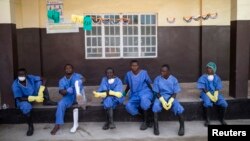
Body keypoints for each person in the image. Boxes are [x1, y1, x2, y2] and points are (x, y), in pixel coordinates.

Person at [12, 68, 56, 136]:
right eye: (19, 75)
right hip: (24, 100)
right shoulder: (15, 85)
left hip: (33, 93)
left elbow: (44, 79)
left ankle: (46, 100)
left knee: (40, 83)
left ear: (26, 75)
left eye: (23, 74)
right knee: (26, 107)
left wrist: (41, 89)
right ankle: (30, 126)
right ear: (17, 75)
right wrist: (35, 98)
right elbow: (20, 98)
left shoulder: (30, 77)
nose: (21, 76)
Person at [50, 64, 85, 135]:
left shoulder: (76, 75)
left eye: (70, 68)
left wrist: (80, 81)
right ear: (64, 70)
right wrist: (66, 91)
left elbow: (84, 79)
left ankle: (81, 101)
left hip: (78, 94)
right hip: (68, 96)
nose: (68, 69)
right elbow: (61, 92)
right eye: (66, 68)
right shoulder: (62, 80)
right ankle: (57, 125)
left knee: (80, 95)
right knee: (60, 104)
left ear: (73, 69)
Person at [152, 64, 184, 136]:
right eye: (161, 71)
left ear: (168, 72)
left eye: (164, 71)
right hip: (160, 96)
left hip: (171, 96)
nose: (162, 72)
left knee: (178, 107)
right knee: (155, 106)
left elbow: (175, 93)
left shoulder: (174, 80)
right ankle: (156, 127)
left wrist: (170, 101)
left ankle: (182, 127)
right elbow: (156, 92)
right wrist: (162, 101)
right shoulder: (157, 79)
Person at [123, 60, 153, 130]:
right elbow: (129, 85)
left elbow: (148, 83)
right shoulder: (128, 74)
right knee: (128, 106)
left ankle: (145, 122)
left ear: (138, 66)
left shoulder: (144, 73)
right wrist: (124, 93)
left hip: (144, 92)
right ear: (130, 66)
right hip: (134, 94)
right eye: (133, 65)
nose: (134, 67)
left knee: (144, 101)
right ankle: (147, 119)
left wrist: (153, 92)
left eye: (136, 65)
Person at [197, 62, 228, 126]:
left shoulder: (217, 78)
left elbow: (218, 87)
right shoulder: (203, 77)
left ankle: (222, 119)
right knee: (207, 103)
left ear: (214, 69)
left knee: (224, 103)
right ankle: (207, 120)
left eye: (210, 68)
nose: (208, 69)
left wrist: (216, 94)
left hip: (215, 92)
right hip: (205, 93)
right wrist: (209, 94)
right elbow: (202, 87)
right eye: (207, 68)